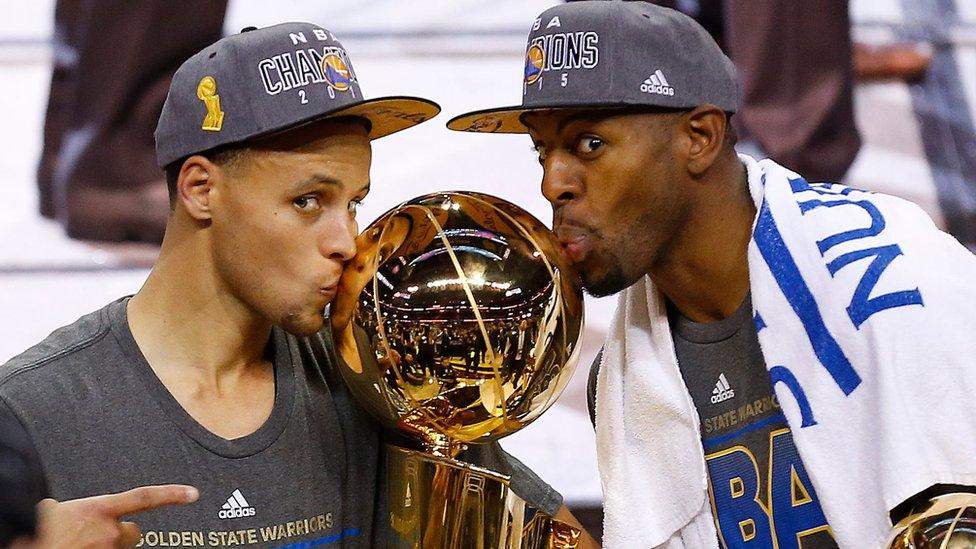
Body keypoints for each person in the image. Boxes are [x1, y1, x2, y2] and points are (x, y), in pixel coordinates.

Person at [3, 23, 588, 547]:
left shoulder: (382, 378)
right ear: (201, 190)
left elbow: (562, 537)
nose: (347, 242)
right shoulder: (28, 413)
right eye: (308, 200)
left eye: (354, 203)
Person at [447, 2, 976, 548]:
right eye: (543, 150)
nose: (552, 184)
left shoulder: (895, 283)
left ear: (699, 136)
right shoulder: (627, 378)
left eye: (589, 144)